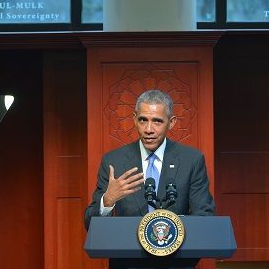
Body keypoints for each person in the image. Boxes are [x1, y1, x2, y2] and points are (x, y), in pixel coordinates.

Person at [84, 89, 215, 229]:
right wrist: (108, 201)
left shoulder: (191, 160)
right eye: (143, 120)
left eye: (157, 121)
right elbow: (90, 225)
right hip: (128, 247)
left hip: (176, 248)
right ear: (134, 119)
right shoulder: (114, 161)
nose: (148, 129)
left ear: (171, 123)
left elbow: (205, 217)